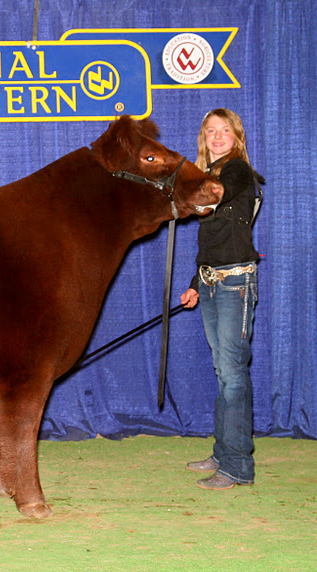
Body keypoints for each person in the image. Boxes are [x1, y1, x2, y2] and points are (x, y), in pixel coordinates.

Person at [180, 108, 262, 490]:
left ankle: (237, 467)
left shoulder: (237, 172)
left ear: (236, 137)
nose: (216, 137)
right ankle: (224, 451)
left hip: (236, 283)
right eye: (210, 131)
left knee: (232, 374)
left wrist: (178, 194)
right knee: (222, 371)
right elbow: (211, 242)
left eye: (224, 130)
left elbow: (216, 193)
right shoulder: (208, 177)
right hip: (213, 283)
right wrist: (197, 281)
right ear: (203, 138)